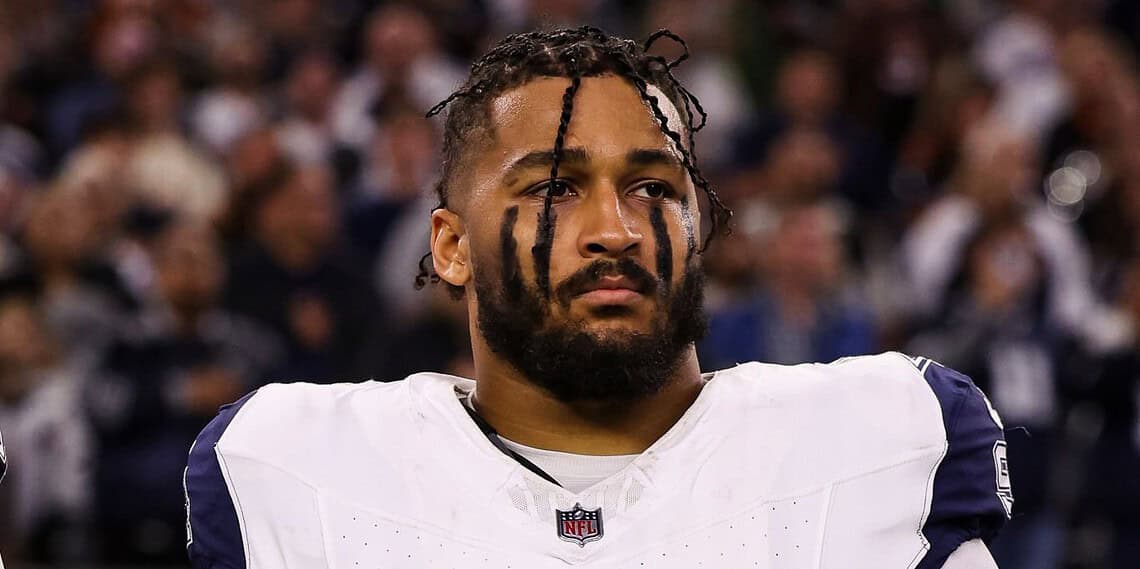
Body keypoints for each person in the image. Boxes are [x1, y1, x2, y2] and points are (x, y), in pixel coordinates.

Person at [185, 27, 1010, 568]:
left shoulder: (878, 442)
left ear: (701, 227)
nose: (614, 229)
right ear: (450, 248)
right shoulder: (298, 466)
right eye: (554, 189)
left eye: (652, 185)